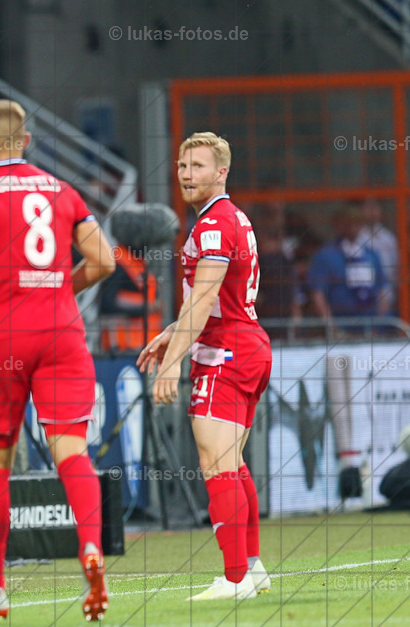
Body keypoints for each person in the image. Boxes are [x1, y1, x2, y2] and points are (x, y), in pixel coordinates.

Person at [0, 99, 115, 621]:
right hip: (61, 332)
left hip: (3, 335)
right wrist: (61, 284)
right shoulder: (63, 191)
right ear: (28, 141)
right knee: (72, 451)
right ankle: (90, 545)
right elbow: (103, 260)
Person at [137, 131, 272, 601]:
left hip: (225, 352)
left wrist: (172, 363)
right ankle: (250, 569)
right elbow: (211, 300)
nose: (187, 175)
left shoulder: (213, 223)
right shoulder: (230, 217)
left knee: (216, 463)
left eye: (197, 166)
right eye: (182, 166)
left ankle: (234, 578)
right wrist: (172, 332)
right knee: (231, 462)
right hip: (245, 343)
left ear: (221, 172)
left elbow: (207, 296)